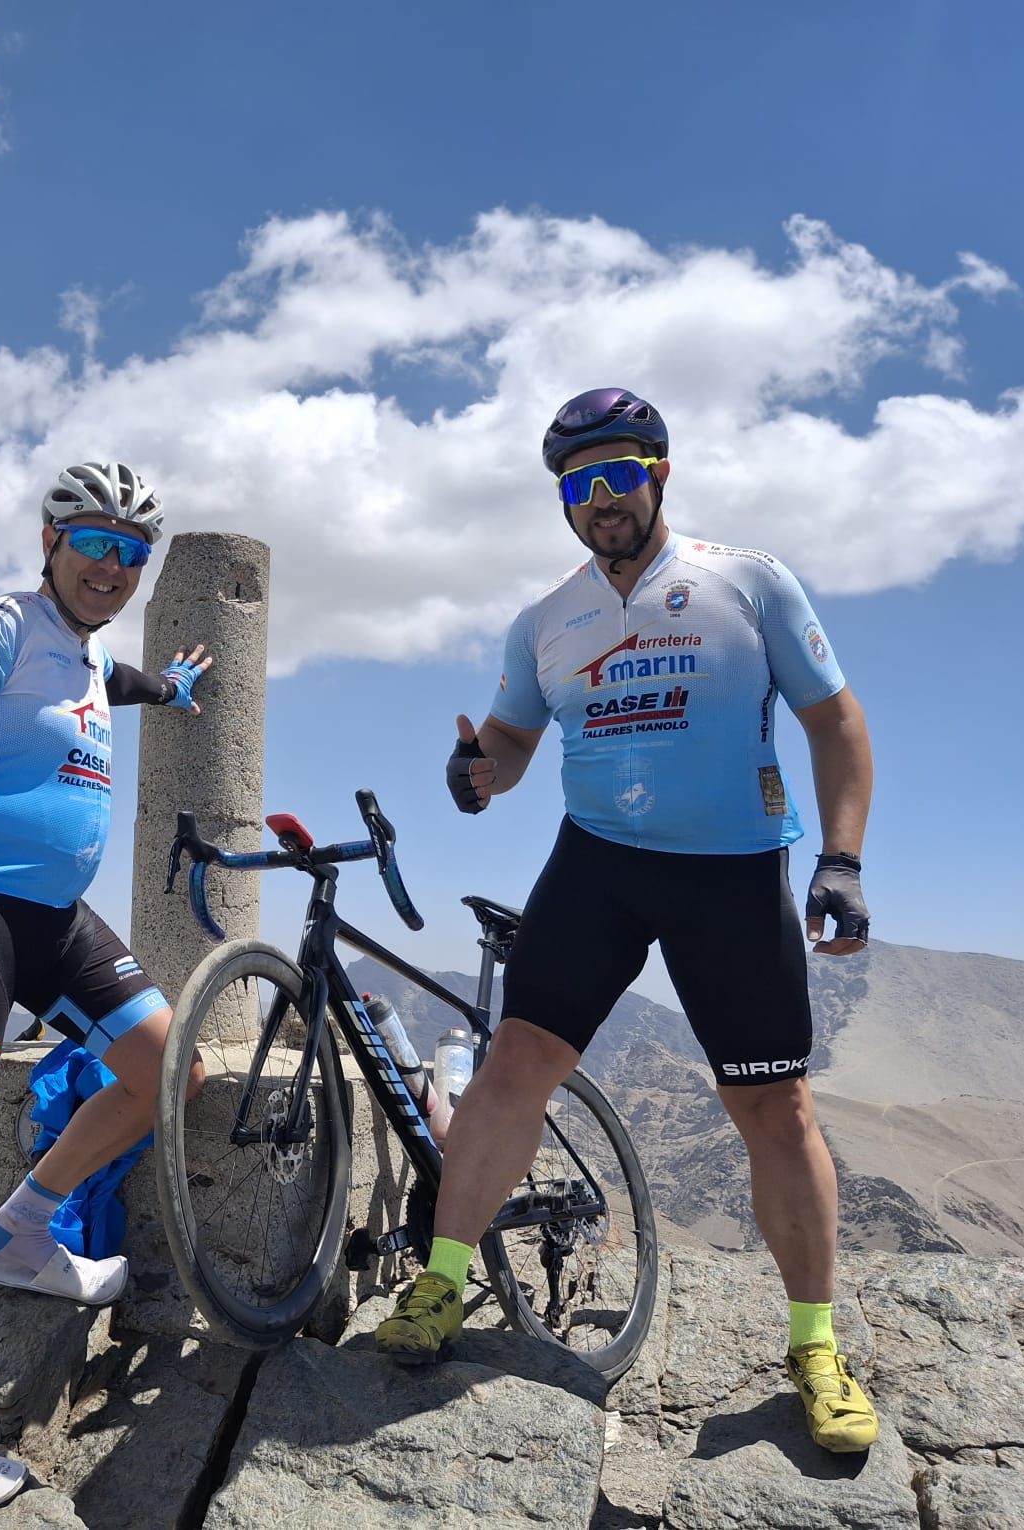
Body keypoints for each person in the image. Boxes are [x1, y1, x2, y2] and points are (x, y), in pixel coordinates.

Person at [374, 389, 880, 1455]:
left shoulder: (749, 582)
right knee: (515, 1065)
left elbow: (835, 721)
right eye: (578, 484)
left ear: (659, 474)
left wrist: (840, 859)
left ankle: (816, 1347)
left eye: (618, 475)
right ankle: (444, 1281)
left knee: (774, 1106)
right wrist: (479, 771)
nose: (600, 500)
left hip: (732, 870)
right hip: (598, 864)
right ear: (562, 499)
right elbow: (512, 743)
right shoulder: (545, 621)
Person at [0, 461, 212, 1511]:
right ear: (51, 542)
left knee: (169, 1071)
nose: (114, 567)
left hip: (58, 917)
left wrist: (169, 688)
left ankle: (23, 1230)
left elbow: (112, 684)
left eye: (133, 552)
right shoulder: (3, 628)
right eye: (95, 543)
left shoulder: (89, 656)